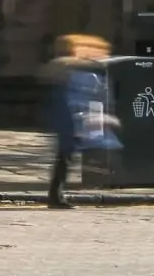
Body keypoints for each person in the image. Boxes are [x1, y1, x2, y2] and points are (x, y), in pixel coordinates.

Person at [43, 34, 119, 208]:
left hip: (65, 117)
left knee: (65, 158)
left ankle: (56, 196)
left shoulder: (60, 65)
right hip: (66, 118)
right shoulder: (64, 64)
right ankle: (56, 197)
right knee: (65, 157)